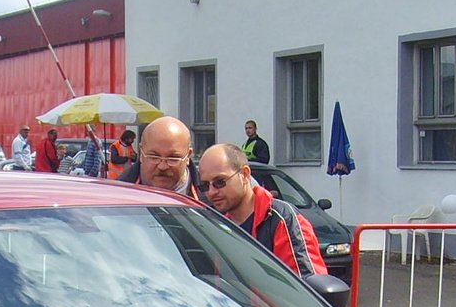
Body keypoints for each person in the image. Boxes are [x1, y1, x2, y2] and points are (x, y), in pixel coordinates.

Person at [198, 143, 326, 275]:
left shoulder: (282, 220)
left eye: (220, 181)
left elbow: (306, 286)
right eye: (205, 185)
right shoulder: (218, 226)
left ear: (245, 175)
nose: (212, 192)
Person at [117, 116, 203, 200]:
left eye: (172, 158)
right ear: (141, 153)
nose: (163, 166)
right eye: (154, 157)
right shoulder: (116, 196)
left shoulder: (211, 196)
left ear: (188, 156)